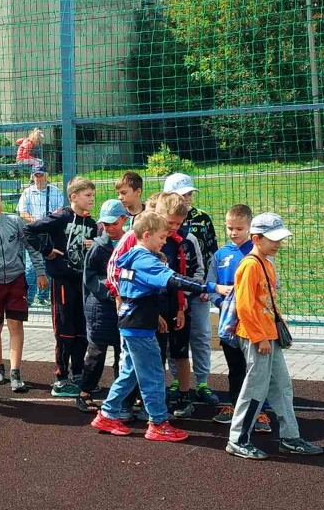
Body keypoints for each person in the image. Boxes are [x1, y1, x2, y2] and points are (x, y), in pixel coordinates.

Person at [91, 212, 231, 440]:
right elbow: (174, 279)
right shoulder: (145, 261)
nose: (165, 242)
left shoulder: (133, 256)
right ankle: (158, 423)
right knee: (154, 375)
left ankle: (107, 413)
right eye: (162, 237)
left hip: (133, 323)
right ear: (146, 235)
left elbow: (140, 292)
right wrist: (212, 287)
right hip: (139, 327)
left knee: (131, 372)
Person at [226, 213, 324, 459]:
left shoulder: (266, 263)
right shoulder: (250, 265)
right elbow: (245, 306)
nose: (278, 244)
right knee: (255, 389)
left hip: (268, 336)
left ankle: (290, 437)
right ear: (256, 239)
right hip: (256, 337)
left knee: (282, 387)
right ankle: (237, 439)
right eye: (273, 239)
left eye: (279, 239)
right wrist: (259, 337)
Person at [23, 176, 98, 398]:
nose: (92, 199)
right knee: (65, 332)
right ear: (73, 197)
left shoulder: (92, 224)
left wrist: (94, 245)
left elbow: (97, 254)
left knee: (82, 332)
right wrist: (46, 250)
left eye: (93, 195)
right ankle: (61, 378)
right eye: (88, 195)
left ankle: (78, 373)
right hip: (63, 283)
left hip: (82, 284)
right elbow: (29, 230)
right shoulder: (61, 217)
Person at [0, 183, 47, 394]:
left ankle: (15, 372)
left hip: (16, 281)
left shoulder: (14, 222)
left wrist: (40, 271)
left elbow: (31, 247)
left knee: (15, 324)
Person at [207, 205, 270, 433]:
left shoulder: (258, 254)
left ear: (250, 228)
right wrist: (223, 304)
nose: (234, 233)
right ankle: (235, 405)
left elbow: (268, 288)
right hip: (229, 324)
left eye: (239, 229)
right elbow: (210, 285)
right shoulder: (220, 255)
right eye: (230, 228)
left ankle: (260, 410)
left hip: (253, 323)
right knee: (235, 367)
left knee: (255, 369)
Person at [164, 172, 219, 407]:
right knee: (174, 337)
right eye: (182, 194)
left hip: (198, 289)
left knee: (201, 335)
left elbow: (212, 253)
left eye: (189, 194)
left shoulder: (202, 219)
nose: (187, 198)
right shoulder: (160, 221)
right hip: (172, 293)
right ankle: (178, 380)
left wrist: (207, 284)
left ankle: (203, 382)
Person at [80, 199, 130, 414]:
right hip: (100, 307)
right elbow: (90, 277)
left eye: (113, 223)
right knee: (96, 352)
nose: (109, 228)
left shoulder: (131, 243)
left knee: (123, 352)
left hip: (123, 307)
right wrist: (112, 290)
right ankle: (85, 392)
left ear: (124, 219)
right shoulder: (98, 247)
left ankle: (124, 396)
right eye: (105, 224)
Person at [17, 159, 64, 305]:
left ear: (46, 175)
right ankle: (28, 299)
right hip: (34, 233)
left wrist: (47, 222)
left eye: (41, 175)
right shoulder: (27, 192)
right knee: (31, 268)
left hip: (50, 232)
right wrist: (38, 223)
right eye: (36, 175)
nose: (38, 178)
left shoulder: (55, 191)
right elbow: (22, 212)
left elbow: (60, 210)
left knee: (49, 263)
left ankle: (43, 297)